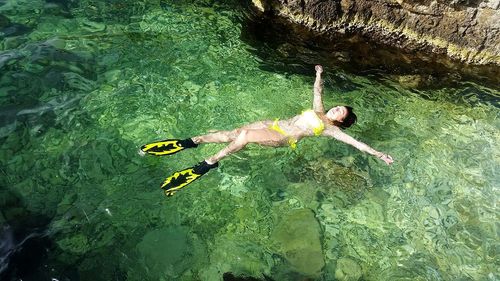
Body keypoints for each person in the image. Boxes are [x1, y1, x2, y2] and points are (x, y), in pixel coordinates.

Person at [141, 65, 394, 196]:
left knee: (246, 137)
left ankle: (210, 162)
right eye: (338, 107)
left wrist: (378, 154)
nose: (336, 110)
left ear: (340, 122)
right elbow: (318, 92)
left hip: (283, 137)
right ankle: (192, 141)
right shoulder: (319, 110)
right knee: (233, 133)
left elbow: (356, 144)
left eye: (341, 113)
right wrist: (319, 73)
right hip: (272, 123)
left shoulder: (331, 130)